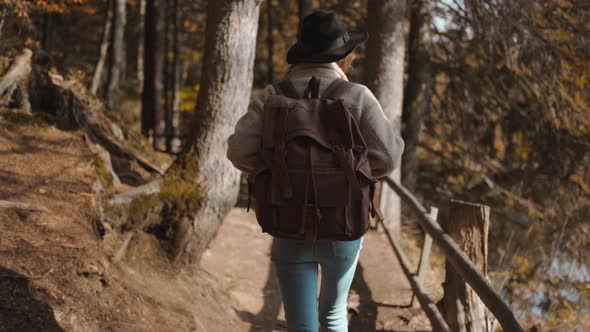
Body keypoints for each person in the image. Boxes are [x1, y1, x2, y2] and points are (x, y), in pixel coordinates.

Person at [226, 10, 404, 332]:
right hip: (344, 221)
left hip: (286, 217)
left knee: (299, 323)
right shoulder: (357, 96)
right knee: (334, 316)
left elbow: (239, 152)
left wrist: (275, 171)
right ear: (343, 55)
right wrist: (354, 173)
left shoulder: (273, 96)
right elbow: (389, 158)